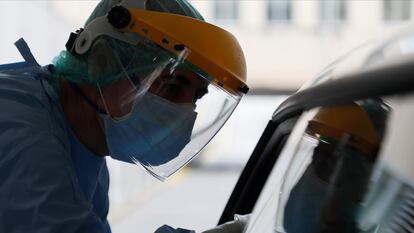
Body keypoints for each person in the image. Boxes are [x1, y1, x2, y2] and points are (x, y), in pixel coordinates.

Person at [0, 0, 248, 232]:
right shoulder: (23, 133)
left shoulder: (87, 146)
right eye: (171, 86)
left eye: (196, 97)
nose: (183, 112)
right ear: (103, 62)